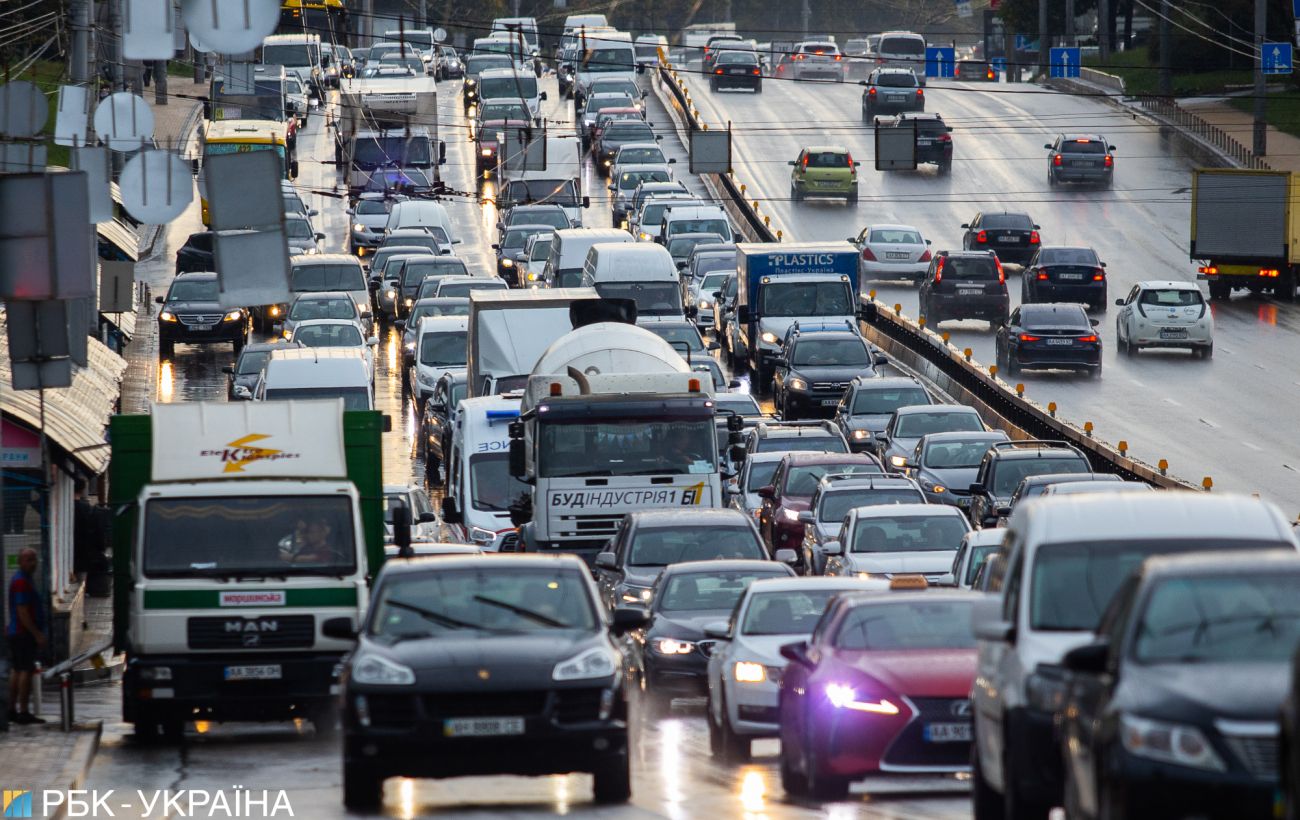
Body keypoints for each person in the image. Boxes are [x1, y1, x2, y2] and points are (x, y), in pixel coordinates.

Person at [7, 548, 48, 724]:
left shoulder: (25, 580)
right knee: (25, 670)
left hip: (18, 633)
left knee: (17, 669)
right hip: (23, 634)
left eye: (34, 559)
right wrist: (37, 634)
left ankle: (12, 709)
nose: (33, 563)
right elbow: (22, 612)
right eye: (29, 560)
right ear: (20, 562)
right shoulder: (21, 582)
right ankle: (22, 710)